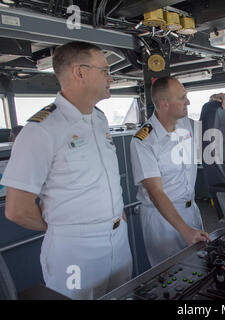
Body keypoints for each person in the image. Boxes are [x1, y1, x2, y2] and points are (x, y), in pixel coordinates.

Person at [0, 41, 132, 299]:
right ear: (79, 72)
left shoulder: (99, 118)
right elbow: (17, 209)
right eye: (104, 70)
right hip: (75, 251)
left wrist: (118, 214)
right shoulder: (41, 129)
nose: (111, 77)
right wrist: (66, 231)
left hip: (118, 238)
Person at [130, 77, 225, 267]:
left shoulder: (185, 125)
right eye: (182, 98)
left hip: (191, 210)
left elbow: (208, 126)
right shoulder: (144, 141)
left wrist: (212, 103)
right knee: (171, 276)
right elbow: (155, 192)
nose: (188, 102)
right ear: (165, 104)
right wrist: (184, 229)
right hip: (162, 220)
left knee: (199, 267)